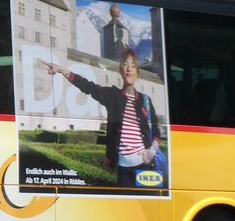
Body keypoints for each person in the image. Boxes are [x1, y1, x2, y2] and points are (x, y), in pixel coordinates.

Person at [44, 49, 162, 187]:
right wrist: (62, 70)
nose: (129, 68)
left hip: (144, 167)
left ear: (138, 72)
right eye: (125, 64)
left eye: (133, 65)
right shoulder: (112, 95)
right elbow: (88, 86)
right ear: (120, 70)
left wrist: (152, 150)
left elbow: (156, 130)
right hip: (122, 169)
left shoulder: (145, 100)